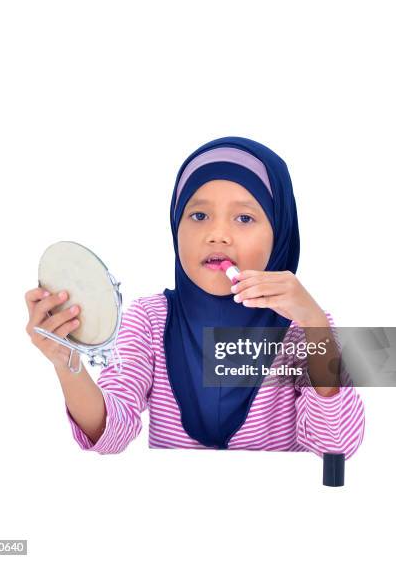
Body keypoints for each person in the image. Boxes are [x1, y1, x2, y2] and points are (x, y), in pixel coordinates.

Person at [24, 136, 365, 456]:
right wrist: (67, 363)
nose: (217, 235)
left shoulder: (304, 327)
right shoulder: (150, 321)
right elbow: (112, 433)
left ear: (281, 233)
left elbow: (336, 445)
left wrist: (316, 326)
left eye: (244, 217)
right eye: (199, 215)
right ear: (176, 226)